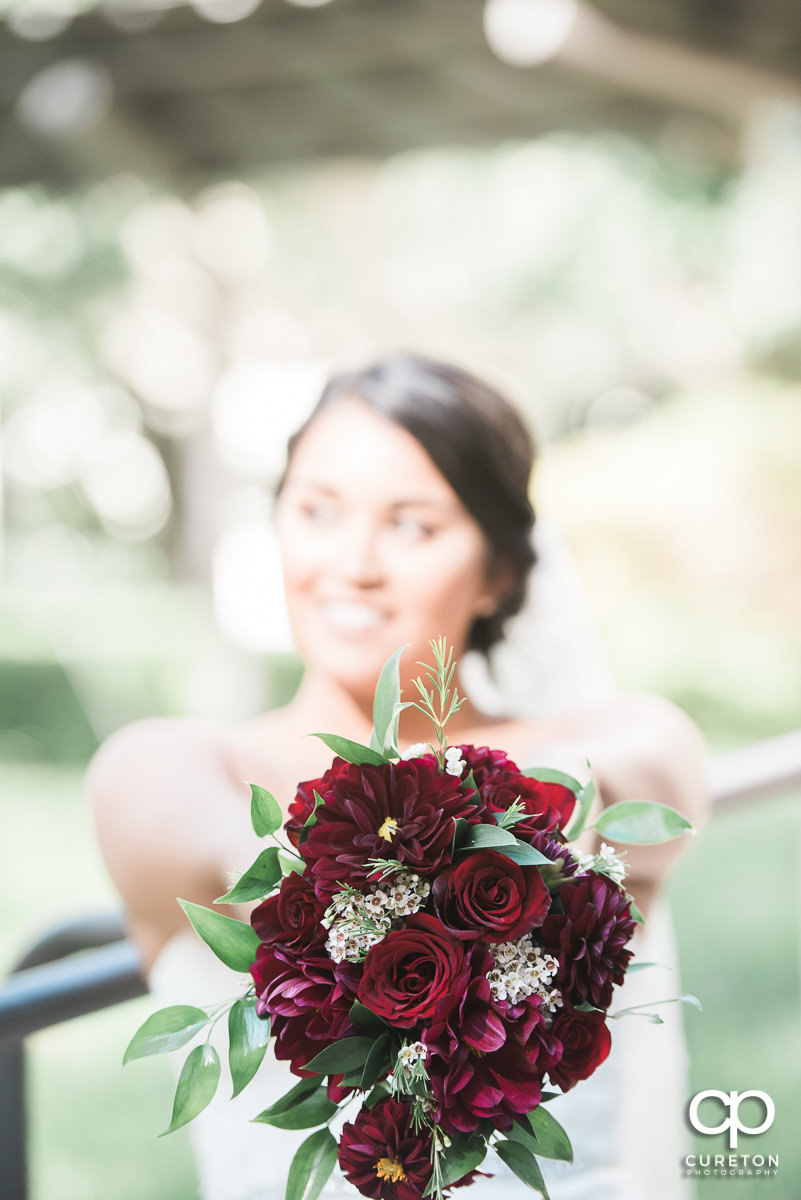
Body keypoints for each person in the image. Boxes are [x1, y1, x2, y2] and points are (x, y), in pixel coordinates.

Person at [88, 351, 708, 1200]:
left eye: (411, 525)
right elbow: (263, 879)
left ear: (497, 570)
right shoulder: (175, 770)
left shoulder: (616, 743)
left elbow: (629, 784)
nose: (353, 562)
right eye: (316, 510)